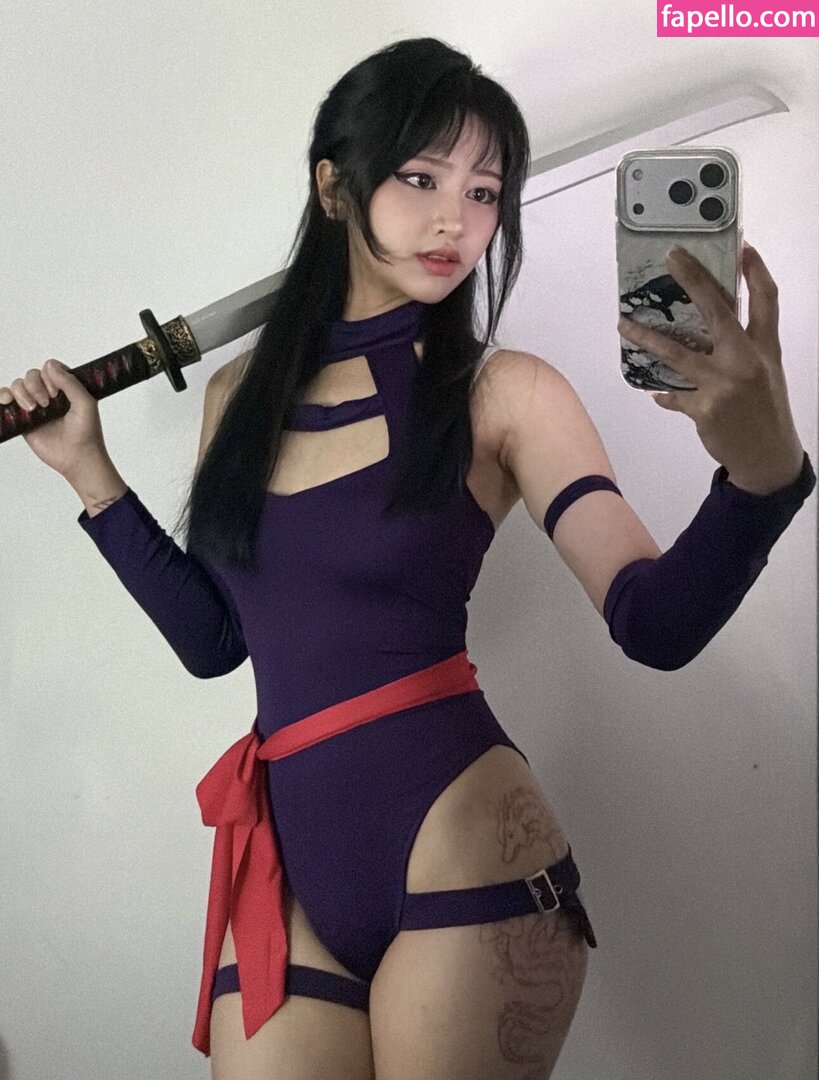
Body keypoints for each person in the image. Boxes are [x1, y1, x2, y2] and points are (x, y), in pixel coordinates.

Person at [2, 35, 813, 1080]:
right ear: (332, 186)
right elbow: (217, 644)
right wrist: (90, 475)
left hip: (460, 838)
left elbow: (653, 622)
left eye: (484, 192)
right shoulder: (236, 398)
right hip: (288, 861)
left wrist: (761, 476)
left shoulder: (507, 393)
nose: (455, 222)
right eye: (421, 178)